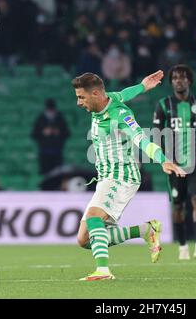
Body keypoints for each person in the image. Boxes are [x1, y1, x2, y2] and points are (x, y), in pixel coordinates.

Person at [72, 71, 185, 281]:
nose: (79, 102)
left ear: (95, 93)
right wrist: (142, 86)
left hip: (122, 175)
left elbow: (141, 139)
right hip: (106, 176)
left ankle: (103, 271)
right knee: (84, 239)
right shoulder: (109, 98)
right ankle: (145, 230)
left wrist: (162, 159)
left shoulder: (120, 115)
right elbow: (124, 93)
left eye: (81, 97)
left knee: (94, 218)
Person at [153, 64, 196, 260]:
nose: (178, 80)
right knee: (178, 206)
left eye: (182, 77)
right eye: (175, 78)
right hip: (174, 164)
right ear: (171, 82)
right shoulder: (163, 105)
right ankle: (182, 246)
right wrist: (162, 159)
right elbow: (156, 135)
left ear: (189, 80)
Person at [31, 98, 70, 175]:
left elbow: (67, 133)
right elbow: (34, 134)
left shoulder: (60, 118)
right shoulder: (41, 119)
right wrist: (43, 132)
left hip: (57, 151)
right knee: (46, 174)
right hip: (44, 151)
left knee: (58, 174)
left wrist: (58, 132)